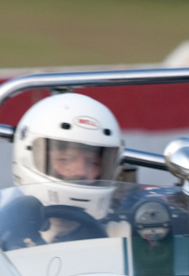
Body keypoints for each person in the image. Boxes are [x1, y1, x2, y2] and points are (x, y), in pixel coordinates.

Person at [8, 92, 125, 244]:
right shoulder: (2, 231)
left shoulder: (125, 233)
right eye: (65, 159)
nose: (81, 172)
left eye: (93, 163)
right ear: (27, 154)